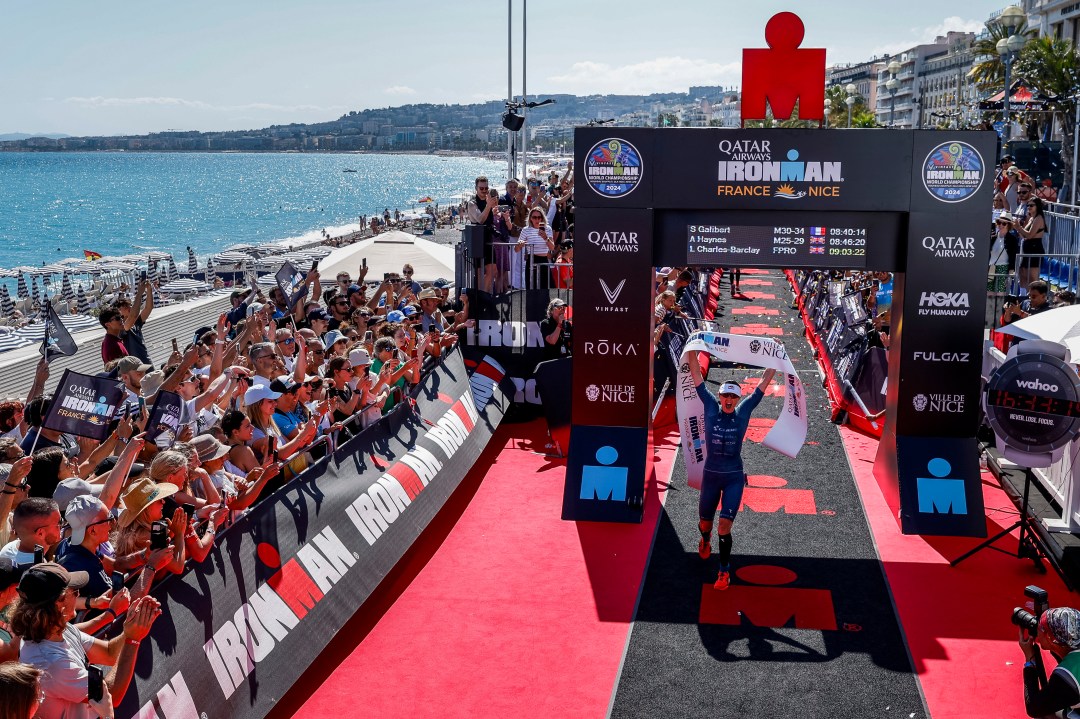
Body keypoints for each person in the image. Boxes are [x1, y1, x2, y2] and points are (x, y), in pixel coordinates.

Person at [13, 563, 161, 718]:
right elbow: (110, 696)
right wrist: (132, 639)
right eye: (75, 592)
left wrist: (130, 627)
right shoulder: (51, 663)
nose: (79, 594)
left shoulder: (56, 627)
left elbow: (109, 653)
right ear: (58, 603)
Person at [686, 359, 776, 591]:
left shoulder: (743, 411)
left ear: (737, 400)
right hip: (711, 476)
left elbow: (764, 383)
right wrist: (694, 346)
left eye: (733, 397)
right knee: (706, 523)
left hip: (734, 476)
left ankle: (724, 571)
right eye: (725, 396)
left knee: (724, 526)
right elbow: (696, 373)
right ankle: (705, 540)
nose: (728, 400)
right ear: (720, 396)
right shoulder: (709, 406)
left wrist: (775, 357)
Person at [1019, 606, 1080, 717]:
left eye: (1040, 627)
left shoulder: (1069, 674)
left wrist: (1029, 659)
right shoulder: (1074, 642)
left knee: (1048, 714)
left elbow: (1034, 708)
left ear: (1050, 637)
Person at [466, 176, 498, 292]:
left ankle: (484, 293)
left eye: (486, 188)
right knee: (479, 272)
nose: (484, 191)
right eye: (481, 188)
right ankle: (480, 296)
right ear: (476, 188)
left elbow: (488, 219)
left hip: (488, 238)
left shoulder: (487, 201)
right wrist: (489, 206)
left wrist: (493, 209)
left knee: (493, 270)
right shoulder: (472, 203)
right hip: (477, 239)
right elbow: (480, 219)